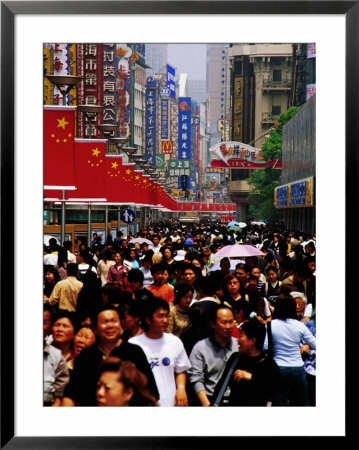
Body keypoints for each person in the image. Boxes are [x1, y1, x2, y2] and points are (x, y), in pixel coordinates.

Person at [62, 305, 159, 406]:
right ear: (95, 328)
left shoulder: (134, 352)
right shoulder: (85, 356)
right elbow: (71, 394)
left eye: (114, 321)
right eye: (105, 322)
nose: (110, 325)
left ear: (121, 324)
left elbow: (150, 392)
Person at [129, 297, 191, 407]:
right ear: (148, 319)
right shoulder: (133, 344)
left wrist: (181, 388)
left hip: (170, 402)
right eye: (160, 316)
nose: (165, 320)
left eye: (167, 316)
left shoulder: (175, 342)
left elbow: (180, 369)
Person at [213, 317, 281, 406]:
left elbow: (276, 390)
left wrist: (251, 377)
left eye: (241, 335)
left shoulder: (268, 364)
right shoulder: (235, 358)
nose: (237, 340)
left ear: (252, 340)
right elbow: (222, 385)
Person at [188, 304, 238, 406]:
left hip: (235, 400)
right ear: (213, 324)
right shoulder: (200, 348)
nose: (228, 326)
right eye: (224, 322)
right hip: (210, 399)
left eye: (231, 322)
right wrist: (207, 405)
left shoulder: (239, 345)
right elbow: (196, 378)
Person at [269, 295, 316, 406]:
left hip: (277, 367)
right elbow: (314, 344)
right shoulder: (300, 325)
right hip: (297, 367)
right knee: (302, 402)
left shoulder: (270, 325)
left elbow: (265, 346)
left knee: (279, 402)